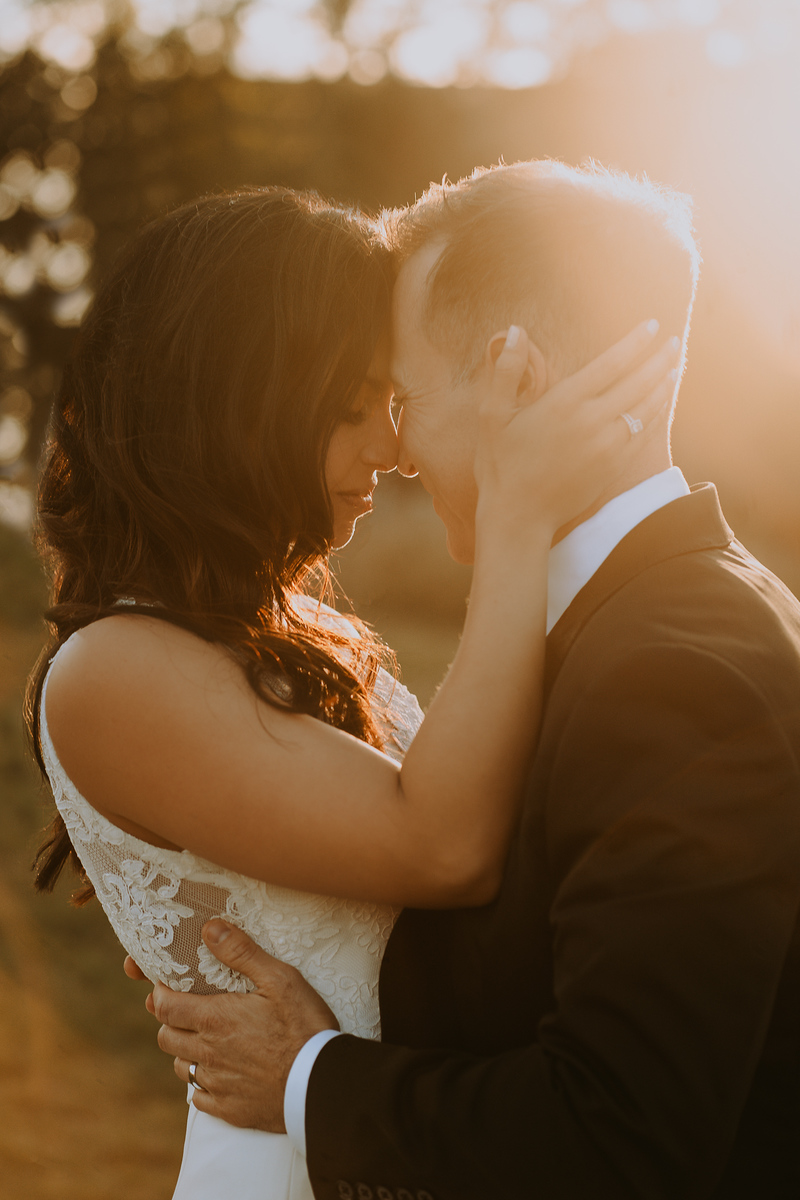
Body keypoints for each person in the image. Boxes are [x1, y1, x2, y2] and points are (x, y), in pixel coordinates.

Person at [147, 161, 800, 1200]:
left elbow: (619, 1132)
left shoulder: (675, 668)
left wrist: (305, 1076)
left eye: (404, 397)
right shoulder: (628, 620)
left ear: (513, 376)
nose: (394, 451)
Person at [27, 182, 675, 1200]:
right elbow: (443, 846)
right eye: (347, 405)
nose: (389, 445)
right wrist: (514, 515)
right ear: (234, 399)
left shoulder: (297, 629)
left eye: (391, 399)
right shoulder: (115, 670)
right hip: (293, 1167)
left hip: (389, 1136)